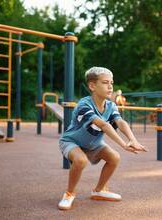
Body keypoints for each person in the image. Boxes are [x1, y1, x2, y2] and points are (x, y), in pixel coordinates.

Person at [58, 67, 147, 210]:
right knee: (80, 160)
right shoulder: (84, 104)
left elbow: (120, 122)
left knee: (114, 158)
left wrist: (133, 139)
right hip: (71, 142)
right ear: (92, 86)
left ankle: (99, 190)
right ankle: (69, 193)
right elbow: (103, 125)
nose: (110, 86)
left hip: (94, 144)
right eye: (105, 82)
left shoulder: (111, 105)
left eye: (111, 82)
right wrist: (124, 144)